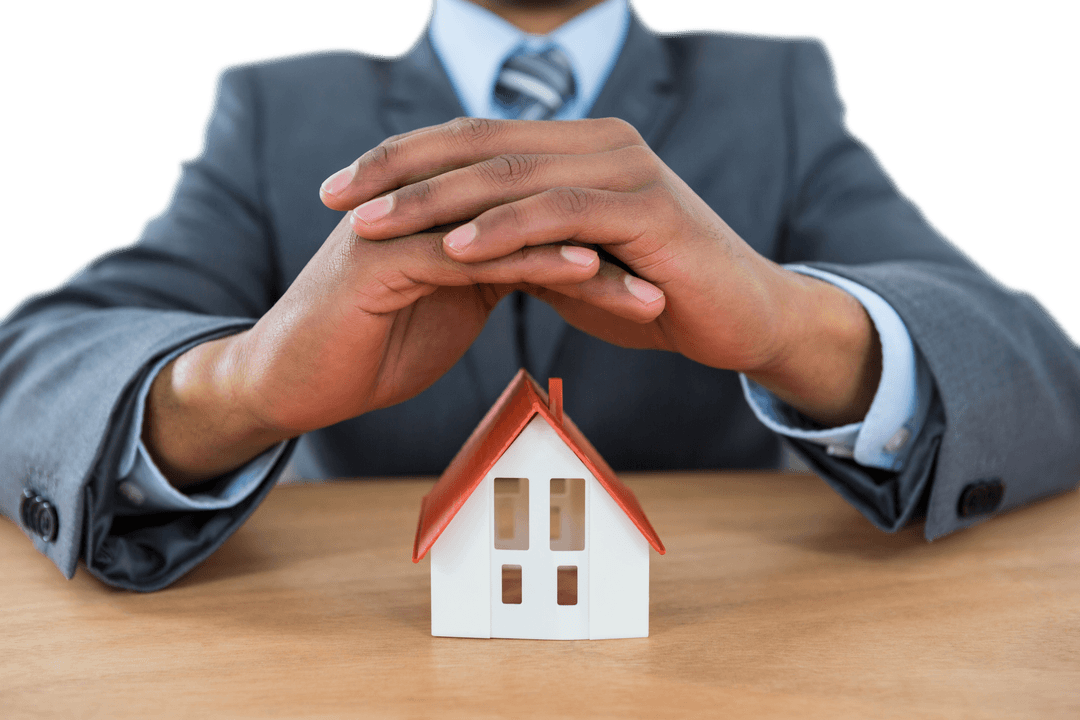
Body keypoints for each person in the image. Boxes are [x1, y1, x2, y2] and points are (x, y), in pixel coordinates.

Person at [2, 0, 1078, 591]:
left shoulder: (776, 89)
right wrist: (239, 383)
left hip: (726, 641)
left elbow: (1036, 372)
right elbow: (35, 369)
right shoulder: (277, 105)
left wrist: (791, 321)